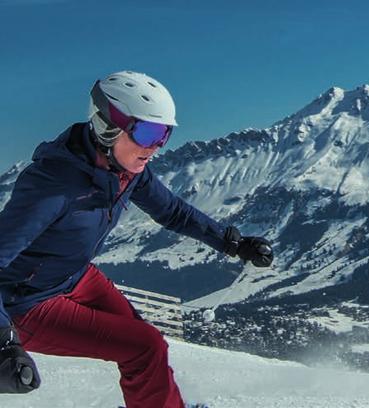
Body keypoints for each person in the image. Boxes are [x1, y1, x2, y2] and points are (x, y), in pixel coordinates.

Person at [0, 71, 274, 407]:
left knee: (144, 340)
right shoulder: (53, 187)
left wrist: (233, 243)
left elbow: (174, 212)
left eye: (164, 135)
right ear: (106, 126)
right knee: (145, 346)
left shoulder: (125, 171)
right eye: (147, 132)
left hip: (75, 275)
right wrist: (4, 340)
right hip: (26, 302)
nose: (155, 148)